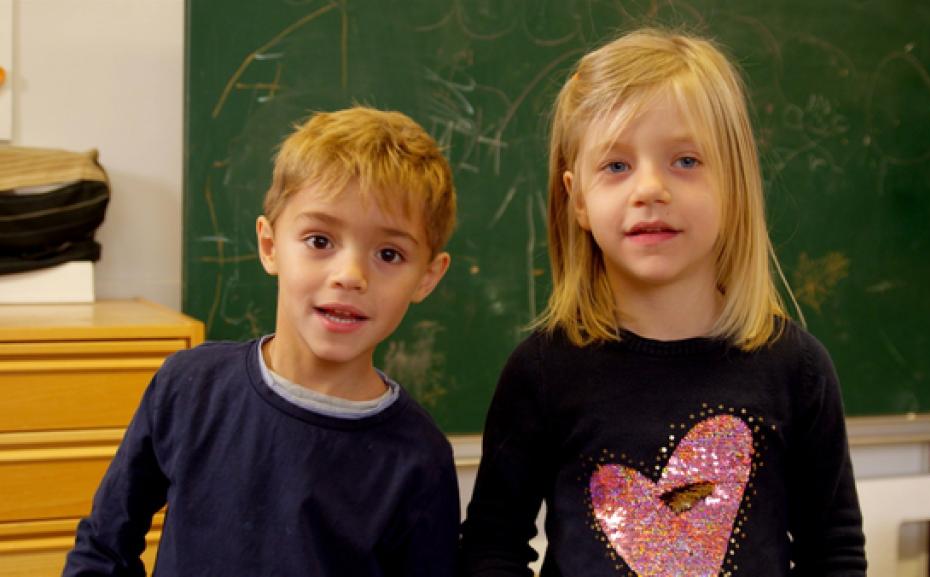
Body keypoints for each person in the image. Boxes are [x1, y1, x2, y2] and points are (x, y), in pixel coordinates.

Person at [458, 29, 866, 576]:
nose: (650, 189)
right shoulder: (542, 371)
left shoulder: (797, 370)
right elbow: (492, 547)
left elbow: (833, 553)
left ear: (734, 185)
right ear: (578, 200)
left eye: (686, 160)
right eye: (616, 166)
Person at [64, 107, 460, 576]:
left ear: (427, 277)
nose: (350, 275)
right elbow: (103, 548)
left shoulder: (420, 459)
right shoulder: (188, 388)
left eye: (389, 254)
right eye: (320, 241)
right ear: (270, 246)